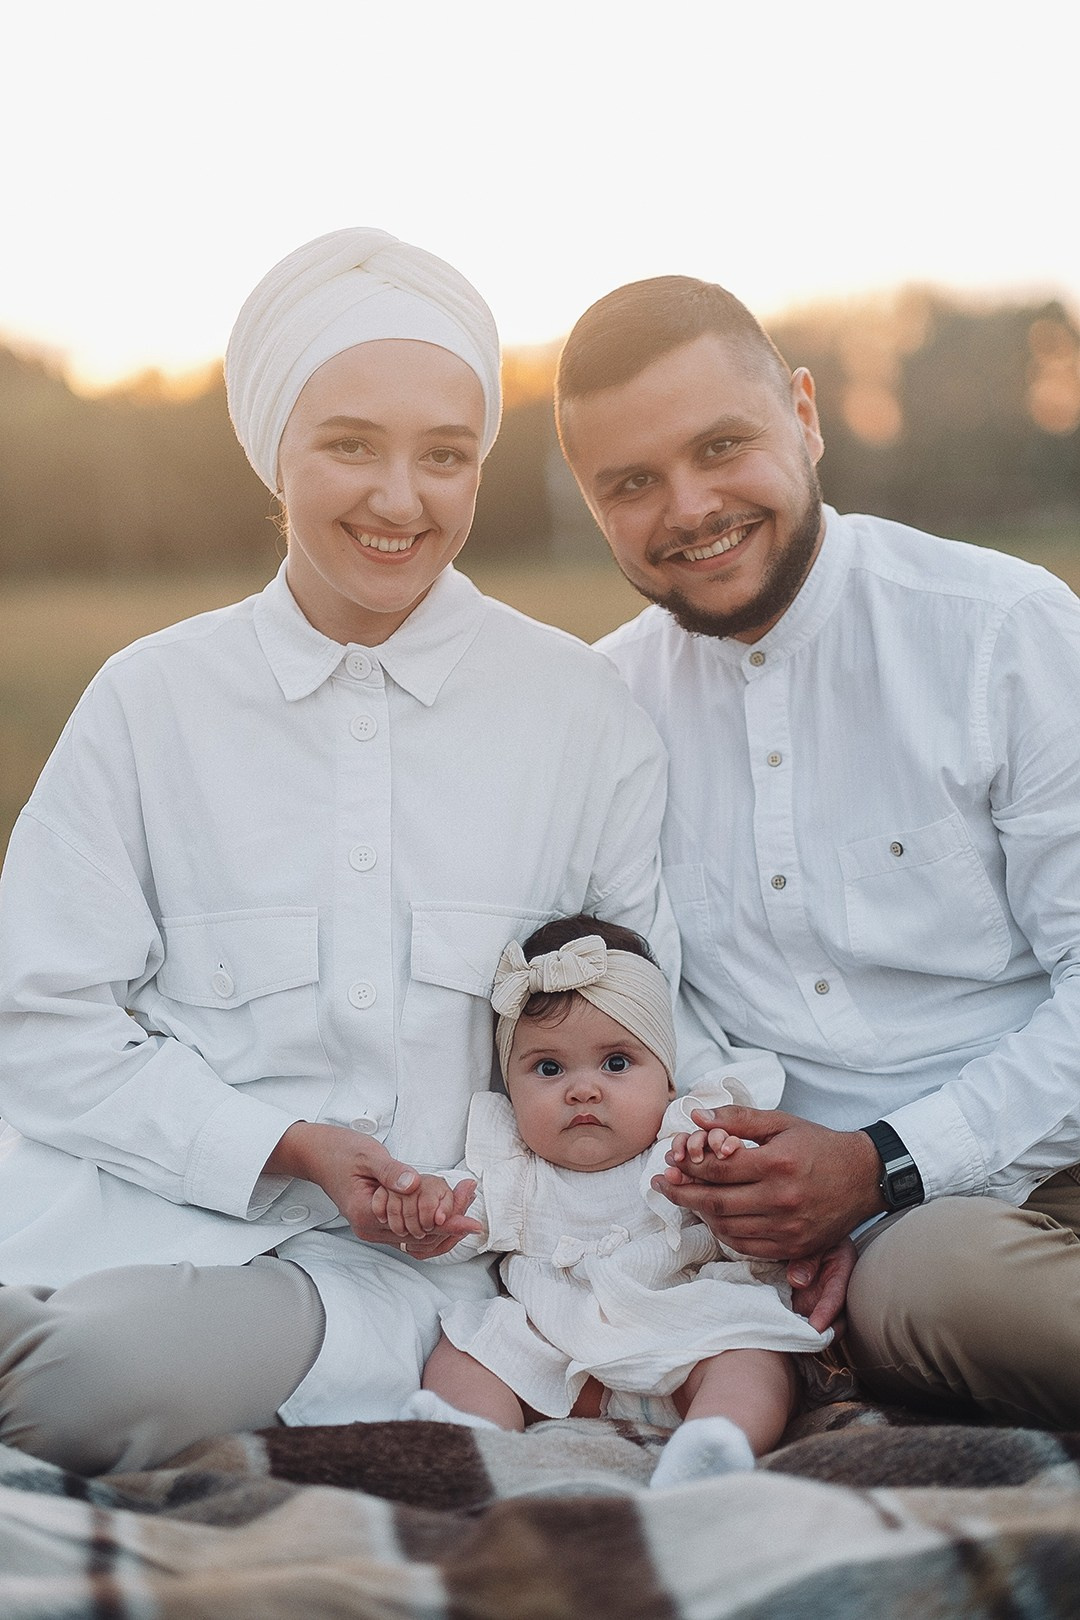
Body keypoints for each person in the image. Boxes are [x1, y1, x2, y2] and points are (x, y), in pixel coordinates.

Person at [0, 229, 722, 1478]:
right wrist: (281, 1146)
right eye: (350, 445)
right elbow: (38, 1018)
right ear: (272, 453)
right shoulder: (150, 700)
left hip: (384, 1278)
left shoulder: (578, 715)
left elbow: (654, 1026)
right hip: (114, 1199)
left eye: (445, 455)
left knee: (75, 1382)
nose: (401, 500)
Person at [552, 274, 1080, 1429]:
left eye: (721, 446)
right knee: (928, 1284)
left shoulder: (1000, 631)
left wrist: (883, 1167)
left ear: (803, 414)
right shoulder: (598, 715)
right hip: (875, 1256)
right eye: (632, 482)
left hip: (1041, 1161)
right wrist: (753, 1209)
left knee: (930, 1279)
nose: (690, 508)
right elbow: (649, 1020)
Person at [387, 915, 828, 1485]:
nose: (583, 1089)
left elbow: (755, 1226)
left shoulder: (685, 1146)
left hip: (686, 1339)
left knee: (751, 1357)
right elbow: (462, 1228)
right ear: (510, 1089)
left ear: (667, 1080)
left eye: (616, 1063)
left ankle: (714, 1444)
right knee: (469, 1350)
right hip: (560, 1356)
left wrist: (726, 1170)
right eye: (548, 1068)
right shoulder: (513, 1170)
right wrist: (432, 1216)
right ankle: (472, 1442)